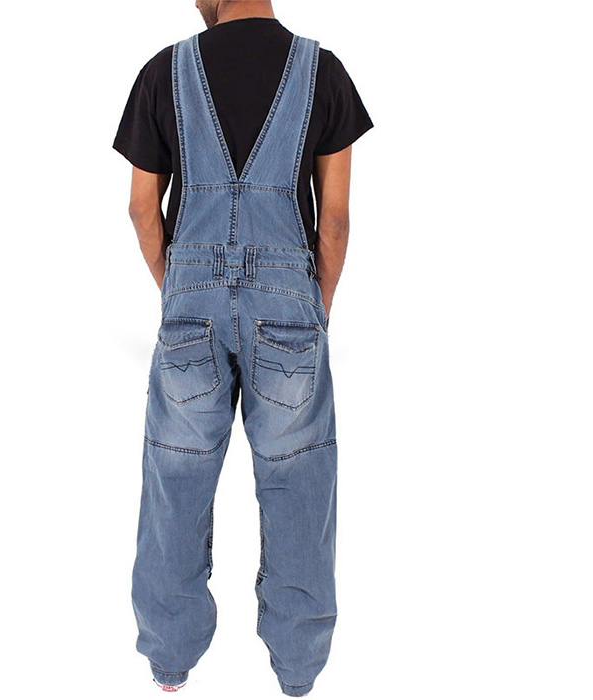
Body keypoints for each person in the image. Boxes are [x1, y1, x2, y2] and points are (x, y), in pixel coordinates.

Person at [113, 1, 373, 696]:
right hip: (289, 305)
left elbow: (141, 207)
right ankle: (298, 670)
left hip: (190, 304)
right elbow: (335, 220)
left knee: (176, 479)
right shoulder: (324, 73)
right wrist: (313, 309)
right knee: (299, 484)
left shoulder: (163, 72)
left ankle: (169, 662)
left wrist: (178, 288)